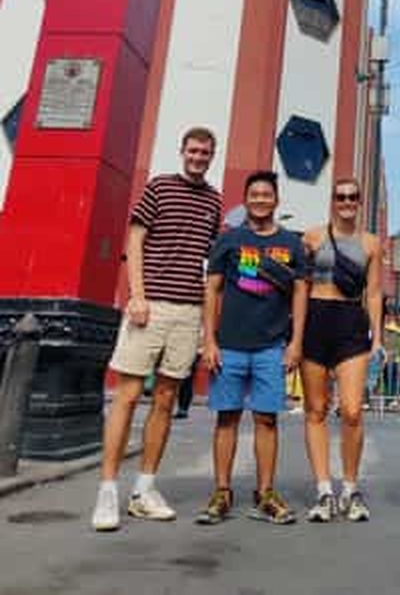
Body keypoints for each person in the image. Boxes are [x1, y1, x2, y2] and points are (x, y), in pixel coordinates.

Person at [91, 127, 222, 532]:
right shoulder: (159, 187)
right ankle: (108, 491)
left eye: (205, 152)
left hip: (188, 311)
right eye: (194, 150)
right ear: (182, 151)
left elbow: (210, 266)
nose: (198, 157)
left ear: (212, 156)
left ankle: (143, 489)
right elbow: (136, 239)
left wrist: (206, 325)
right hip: (151, 307)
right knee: (128, 396)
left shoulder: (215, 202)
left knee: (166, 399)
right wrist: (137, 296)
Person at [195, 170, 308, 525]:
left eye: (266, 194)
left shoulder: (291, 243)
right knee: (226, 417)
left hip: (271, 346)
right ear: (246, 200)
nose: (260, 200)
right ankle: (222, 492)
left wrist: (296, 344)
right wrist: (209, 340)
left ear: (276, 200)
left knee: (266, 419)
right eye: (254, 194)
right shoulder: (229, 241)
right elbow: (212, 290)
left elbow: (301, 295)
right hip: (229, 345)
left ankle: (266, 493)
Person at [301, 177, 383, 522]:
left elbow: (375, 293)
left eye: (353, 197)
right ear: (333, 201)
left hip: (350, 321)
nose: (347, 201)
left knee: (351, 410)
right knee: (316, 409)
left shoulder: (371, 243)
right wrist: (295, 335)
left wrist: (377, 337)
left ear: (360, 202)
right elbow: (300, 287)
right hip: (316, 320)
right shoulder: (312, 237)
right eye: (341, 196)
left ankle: (350, 487)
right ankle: (324, 490)